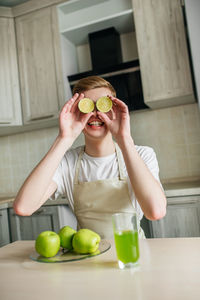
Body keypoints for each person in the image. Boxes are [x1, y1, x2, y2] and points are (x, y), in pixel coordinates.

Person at [13, 76, 166, 239]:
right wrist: (64, 138)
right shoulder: (67, 163)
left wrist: (124, 139)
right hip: (87, 257)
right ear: (76, 112)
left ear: (114, 110)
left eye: (103, 105)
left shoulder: (142, 154)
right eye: (87, 107)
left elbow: (155, 211)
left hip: (131, 255)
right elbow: (23, 207)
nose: (95, 114)